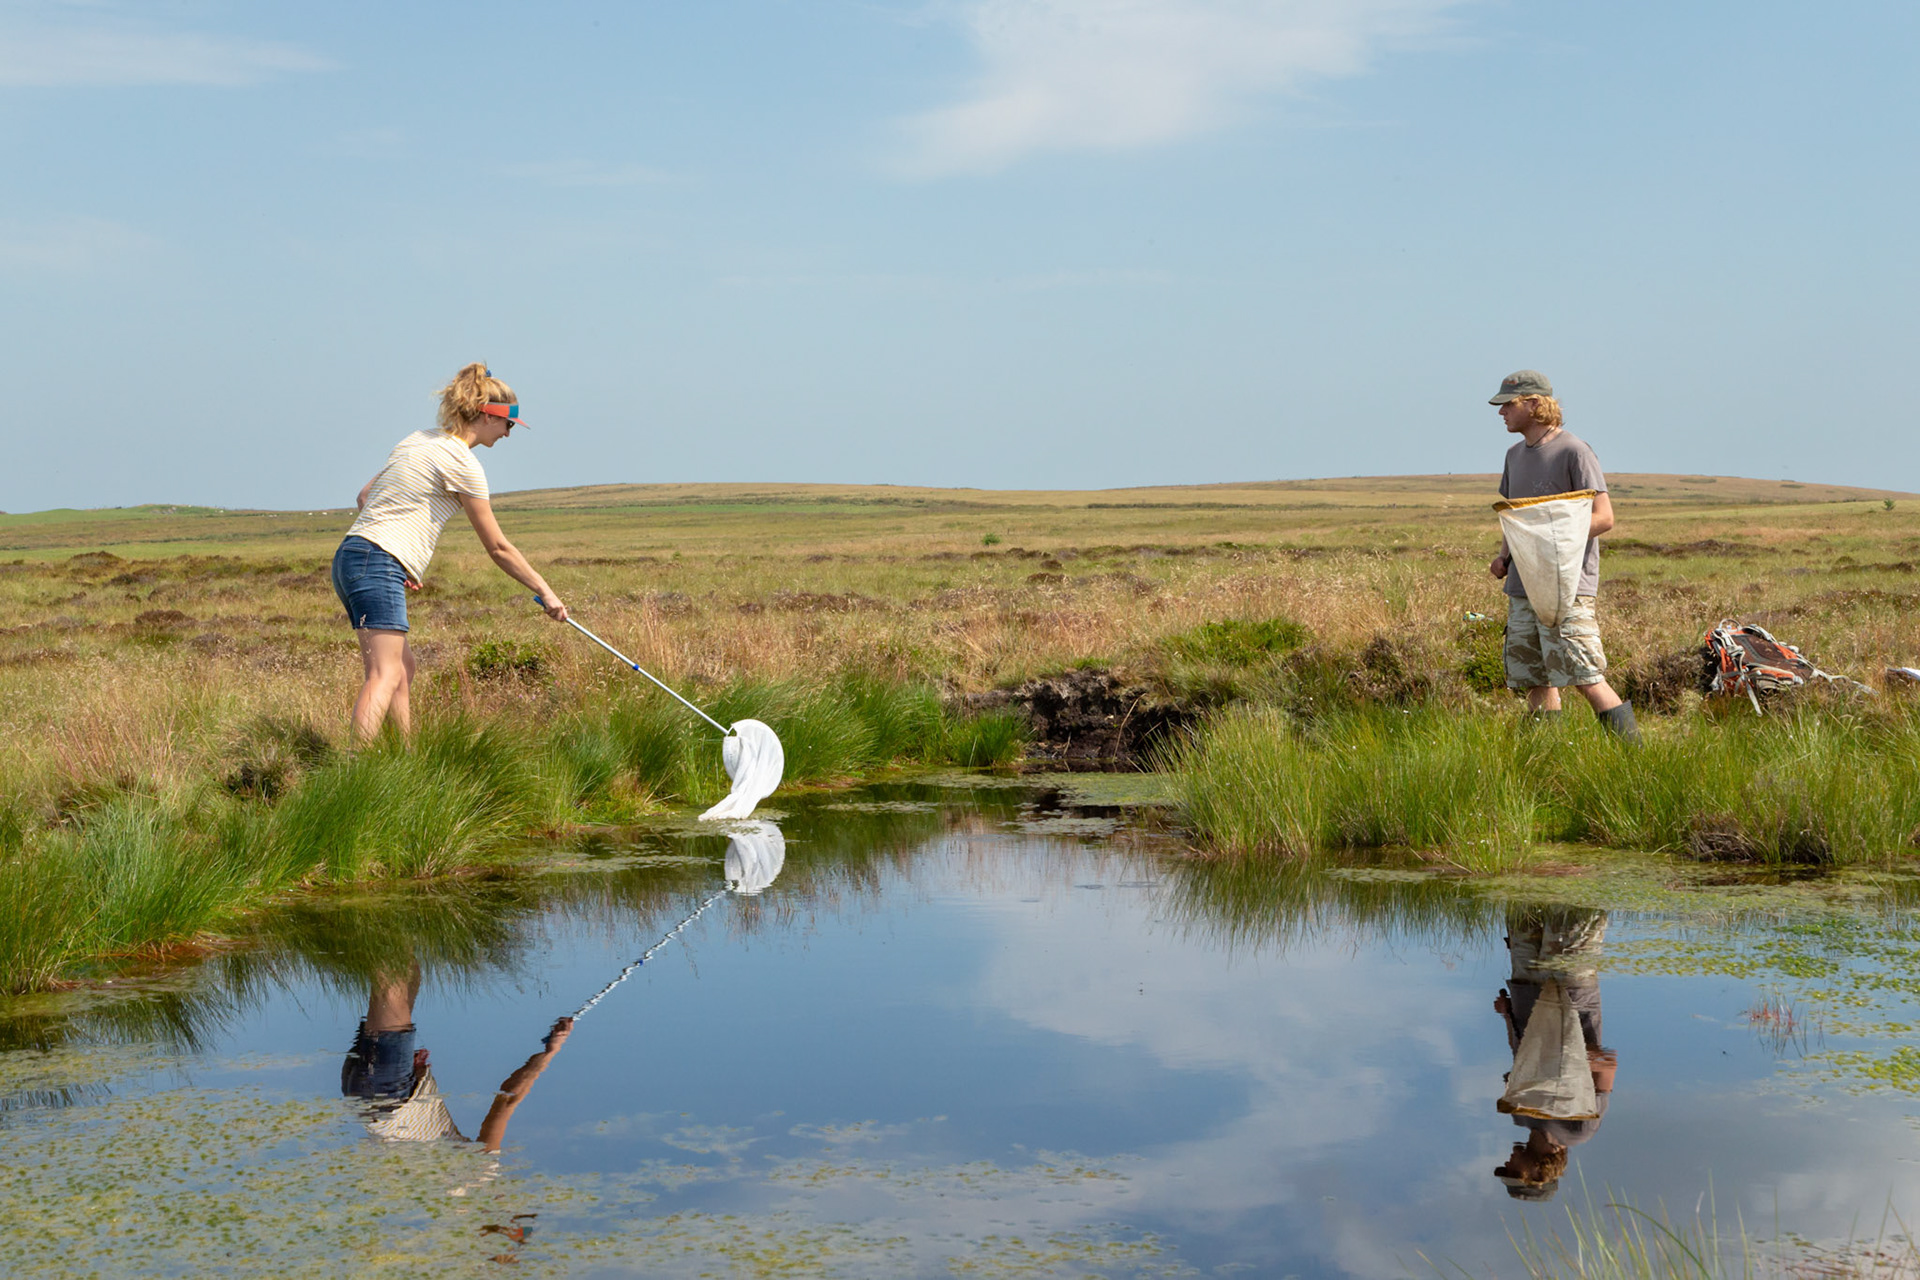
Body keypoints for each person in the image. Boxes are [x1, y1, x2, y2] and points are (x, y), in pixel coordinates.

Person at [331, 362, 568, 740]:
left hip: (352, 557)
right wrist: (545, 591)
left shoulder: (418, 439)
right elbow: (498, 548)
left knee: (402, 667)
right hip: (377, 562)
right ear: (489, 416)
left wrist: (402, 558)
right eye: (509, 425)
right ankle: (352, 772)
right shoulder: (463, 464)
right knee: (385, 673)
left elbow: (364, 497)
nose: (509, 435)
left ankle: (405, 759)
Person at [1486, 370, 1639, 741]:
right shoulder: (1513, 456)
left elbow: (1604, 518)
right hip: (1522, 587)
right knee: (1534, 677)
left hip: (1566, 586)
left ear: (1535, 404)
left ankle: (1635, 759)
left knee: (1585, 675)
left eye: (1509, 404)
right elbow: (1514, 518)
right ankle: (1545, 756)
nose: (1501, 412)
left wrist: (1550, 541)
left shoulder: (1574, 451)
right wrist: (1505, 556)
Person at [1490, 906, 1619, 1201]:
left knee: (1522, 905)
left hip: (1525, 991)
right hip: (1572, 990)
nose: (1508, 1163)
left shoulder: (1520, 1118)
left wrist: (1508, 1016)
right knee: (1574, 908)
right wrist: (1565, 1054)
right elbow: (1607, 1067)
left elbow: (1522, 1055)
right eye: (1513, 1171)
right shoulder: (1579, 1130)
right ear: (1538, 1174)